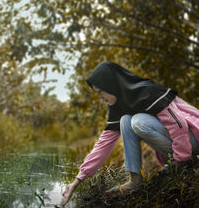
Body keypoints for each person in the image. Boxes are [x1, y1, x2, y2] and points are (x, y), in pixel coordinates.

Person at [60, 61, 199, 207]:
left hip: (193, 139)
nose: (100, 97)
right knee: (126, 120)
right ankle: (135, 179)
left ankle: (184, 162)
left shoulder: (148, 91)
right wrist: (77, 181)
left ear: (110, 84)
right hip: (180, 147)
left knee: (138, 121)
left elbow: (178, 124)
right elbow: (103, 145)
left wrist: (180, 159)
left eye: (101, 91)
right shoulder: (118, 106)